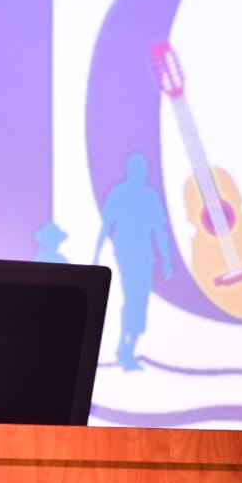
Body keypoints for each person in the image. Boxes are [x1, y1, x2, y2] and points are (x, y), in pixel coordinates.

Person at [93, 152, 173, 370]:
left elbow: (158, 230)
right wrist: (96, 254)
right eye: (137, 169)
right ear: (130, 171)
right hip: (126, 254)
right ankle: (125, 348)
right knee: (132, 298)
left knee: (140, 299)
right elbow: (106, 225)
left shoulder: (150, 197)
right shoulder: (118, 194)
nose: (140, 173)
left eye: (142, 169)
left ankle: (127, 347)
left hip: (144, 255)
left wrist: (166, 258)